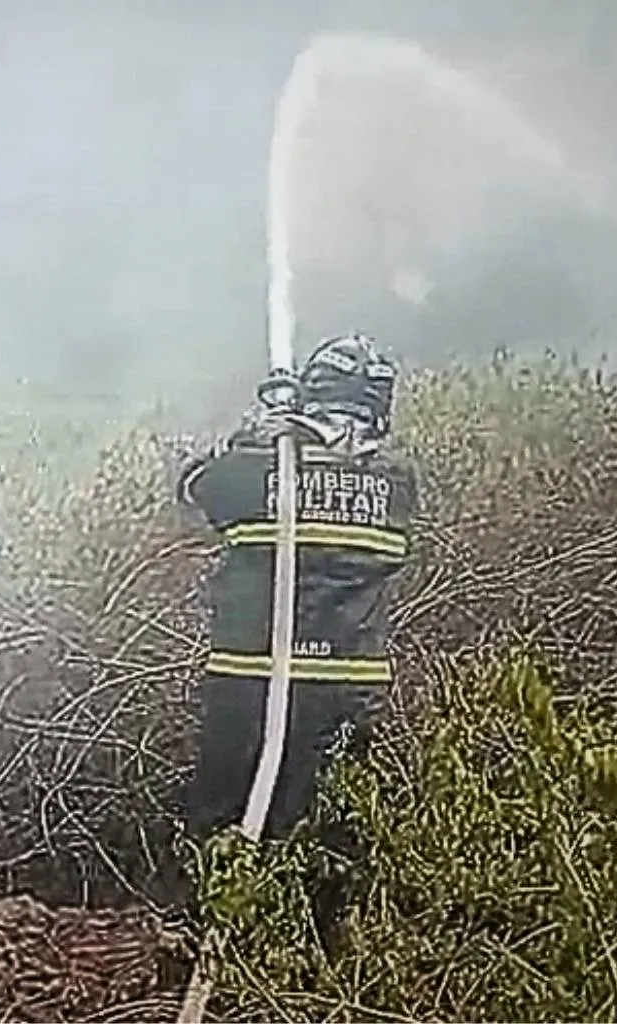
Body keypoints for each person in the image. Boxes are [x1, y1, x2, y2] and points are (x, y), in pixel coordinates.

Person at [177, 332, 419, 844]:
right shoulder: (398, 482)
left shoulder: (259, 465)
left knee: (223, 820)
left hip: (252, 678)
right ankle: (314, 924)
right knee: (323, 830)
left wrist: (262, 431)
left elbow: (193, 487)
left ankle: (209, 920)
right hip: (347, 686)